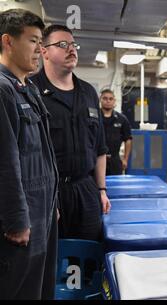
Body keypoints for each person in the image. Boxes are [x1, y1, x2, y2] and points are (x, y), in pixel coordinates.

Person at [31, 25, 110, 241]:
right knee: (51, 262)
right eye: (62, 44)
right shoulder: (32, 91)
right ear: (44, 50)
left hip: (86, 189)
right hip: (49, 192)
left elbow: (100, 149)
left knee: (88, 258)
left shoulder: (88, 93)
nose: (71, 49)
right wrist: (43, 199)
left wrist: (101, 190)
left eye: (73, 44)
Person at [0, 9, 58, 299]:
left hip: (41, 214)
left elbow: (42, 156)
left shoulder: (29, 89)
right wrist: (17, 220)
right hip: (20, 225)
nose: (41, 49)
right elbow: (5, 163)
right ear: (8, 42)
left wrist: (52, 203)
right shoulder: (2, 90)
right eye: (34, 41)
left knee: (40, 290)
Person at [100, 89, 132, 175]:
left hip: (114, 160)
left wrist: (125, 159)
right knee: (96, 186)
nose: (108, 101)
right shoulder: (94, 118)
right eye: (105, 98)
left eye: (110, 99)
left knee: (115, 186)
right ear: (100, 100)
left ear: (114, 101)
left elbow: (128, 139)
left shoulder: (122, 119)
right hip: (97, 159)